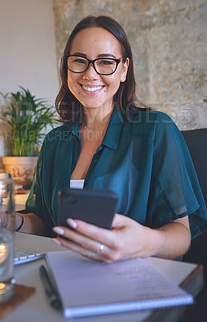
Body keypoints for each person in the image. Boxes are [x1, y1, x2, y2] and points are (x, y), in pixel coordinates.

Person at [12, 15, 207, 262]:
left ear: (124, 69)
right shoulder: (54, 142)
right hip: (63, 274)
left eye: (105, 62)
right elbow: (43, 222)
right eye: (80, 61)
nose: (90, 74)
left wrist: (144, 242)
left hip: (134, 282)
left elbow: (181, 236)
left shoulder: (156, 129)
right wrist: (12, 221)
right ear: (67, 67)